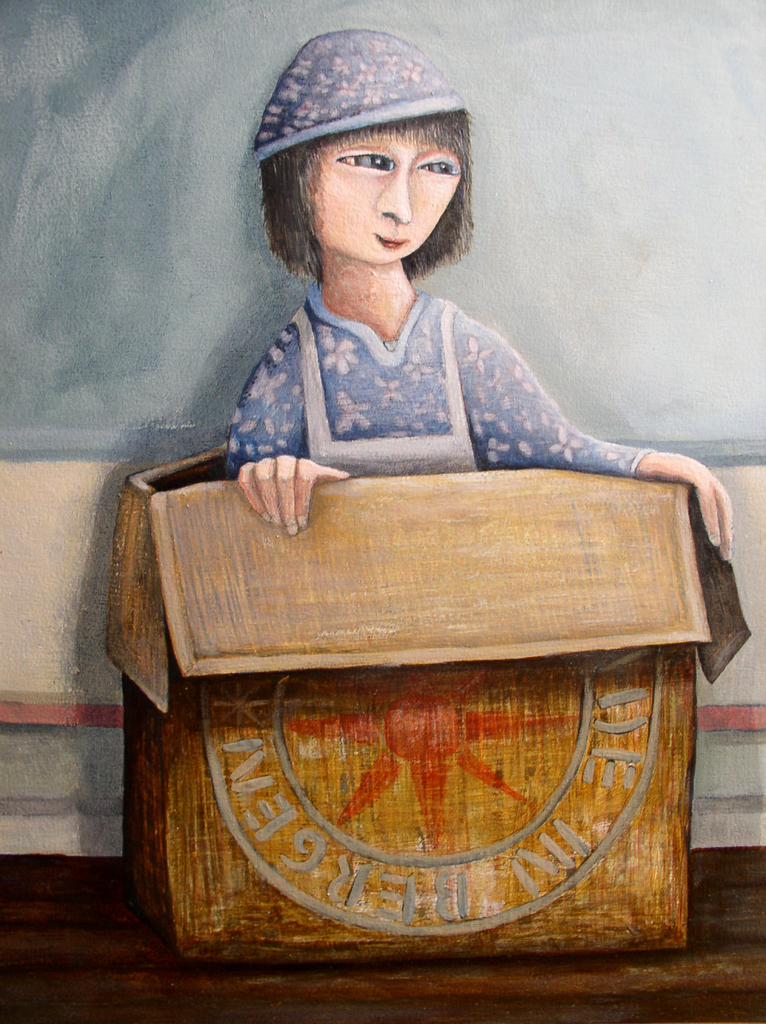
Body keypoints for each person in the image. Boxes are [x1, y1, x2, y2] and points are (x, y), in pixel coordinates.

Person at [227, 29, 732, 558]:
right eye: (372, 162)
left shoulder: (467, 353)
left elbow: (560, 450)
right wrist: (270, 480)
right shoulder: (288, 368)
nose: (402, 206)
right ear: (295, 175)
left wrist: (648, 464)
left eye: (436, 168)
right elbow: (226, 504)